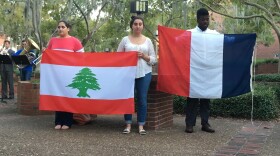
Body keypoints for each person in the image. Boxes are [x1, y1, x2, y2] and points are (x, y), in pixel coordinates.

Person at [117, 15, 157, 135]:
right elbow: (117, 56)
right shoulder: (125, 40)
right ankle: (128, 124)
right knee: (128, 99)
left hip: (144, 73)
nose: (138, 26)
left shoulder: (148, 41)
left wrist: (144, 56)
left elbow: (154, 59)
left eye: (140, 24)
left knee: (142, 99)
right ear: (131, 26)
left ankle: (141, 125)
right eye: (135, 24)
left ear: (143, 26)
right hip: (128, 74)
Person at [185, 8, 219, 133]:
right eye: (203, 19)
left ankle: (205, 123)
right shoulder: (189, 33)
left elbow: (224, 44)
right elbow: (177, 42)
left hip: (208, 72)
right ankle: (189, 124)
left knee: (206, 99)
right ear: (197, 19)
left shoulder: (214, 34)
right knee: (192, 99)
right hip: (194, 71)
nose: (205, 21)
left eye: (207, 19)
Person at [46, 20, 84, 130]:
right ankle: (58, 121)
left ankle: (67, 121)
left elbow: (81, 57)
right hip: (56, 75)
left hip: (69, 74)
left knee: (68, 96)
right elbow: (49, 55)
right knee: (58, 96)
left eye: (63, 27)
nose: (60, 29)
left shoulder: (75, 41)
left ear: (68, 28)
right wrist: (45, 52)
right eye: (59, 27)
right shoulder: (53, 41)